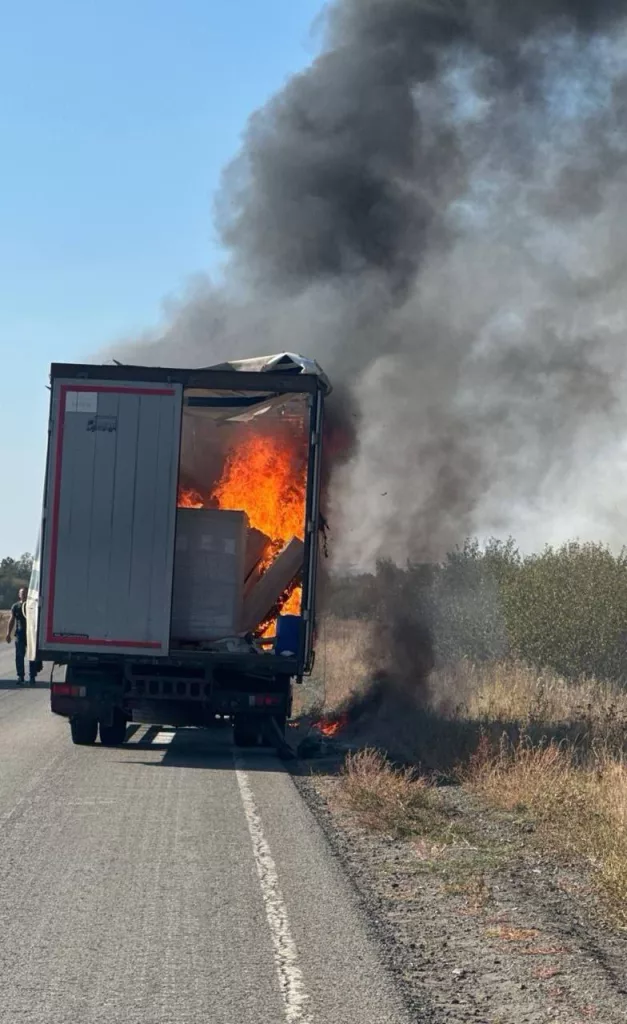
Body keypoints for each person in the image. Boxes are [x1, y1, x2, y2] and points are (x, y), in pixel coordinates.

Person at [5, 587, 36, 686]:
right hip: (20, 634)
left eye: (25, 593)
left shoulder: (32, 606)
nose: (24, 595)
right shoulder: (15, 606)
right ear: (19, 595)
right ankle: (20, 676)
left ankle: (32, 677)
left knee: (32, 656)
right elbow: (12, 620)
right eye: (22, 593)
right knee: (19, 656)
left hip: (31, 634)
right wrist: (8, 634)